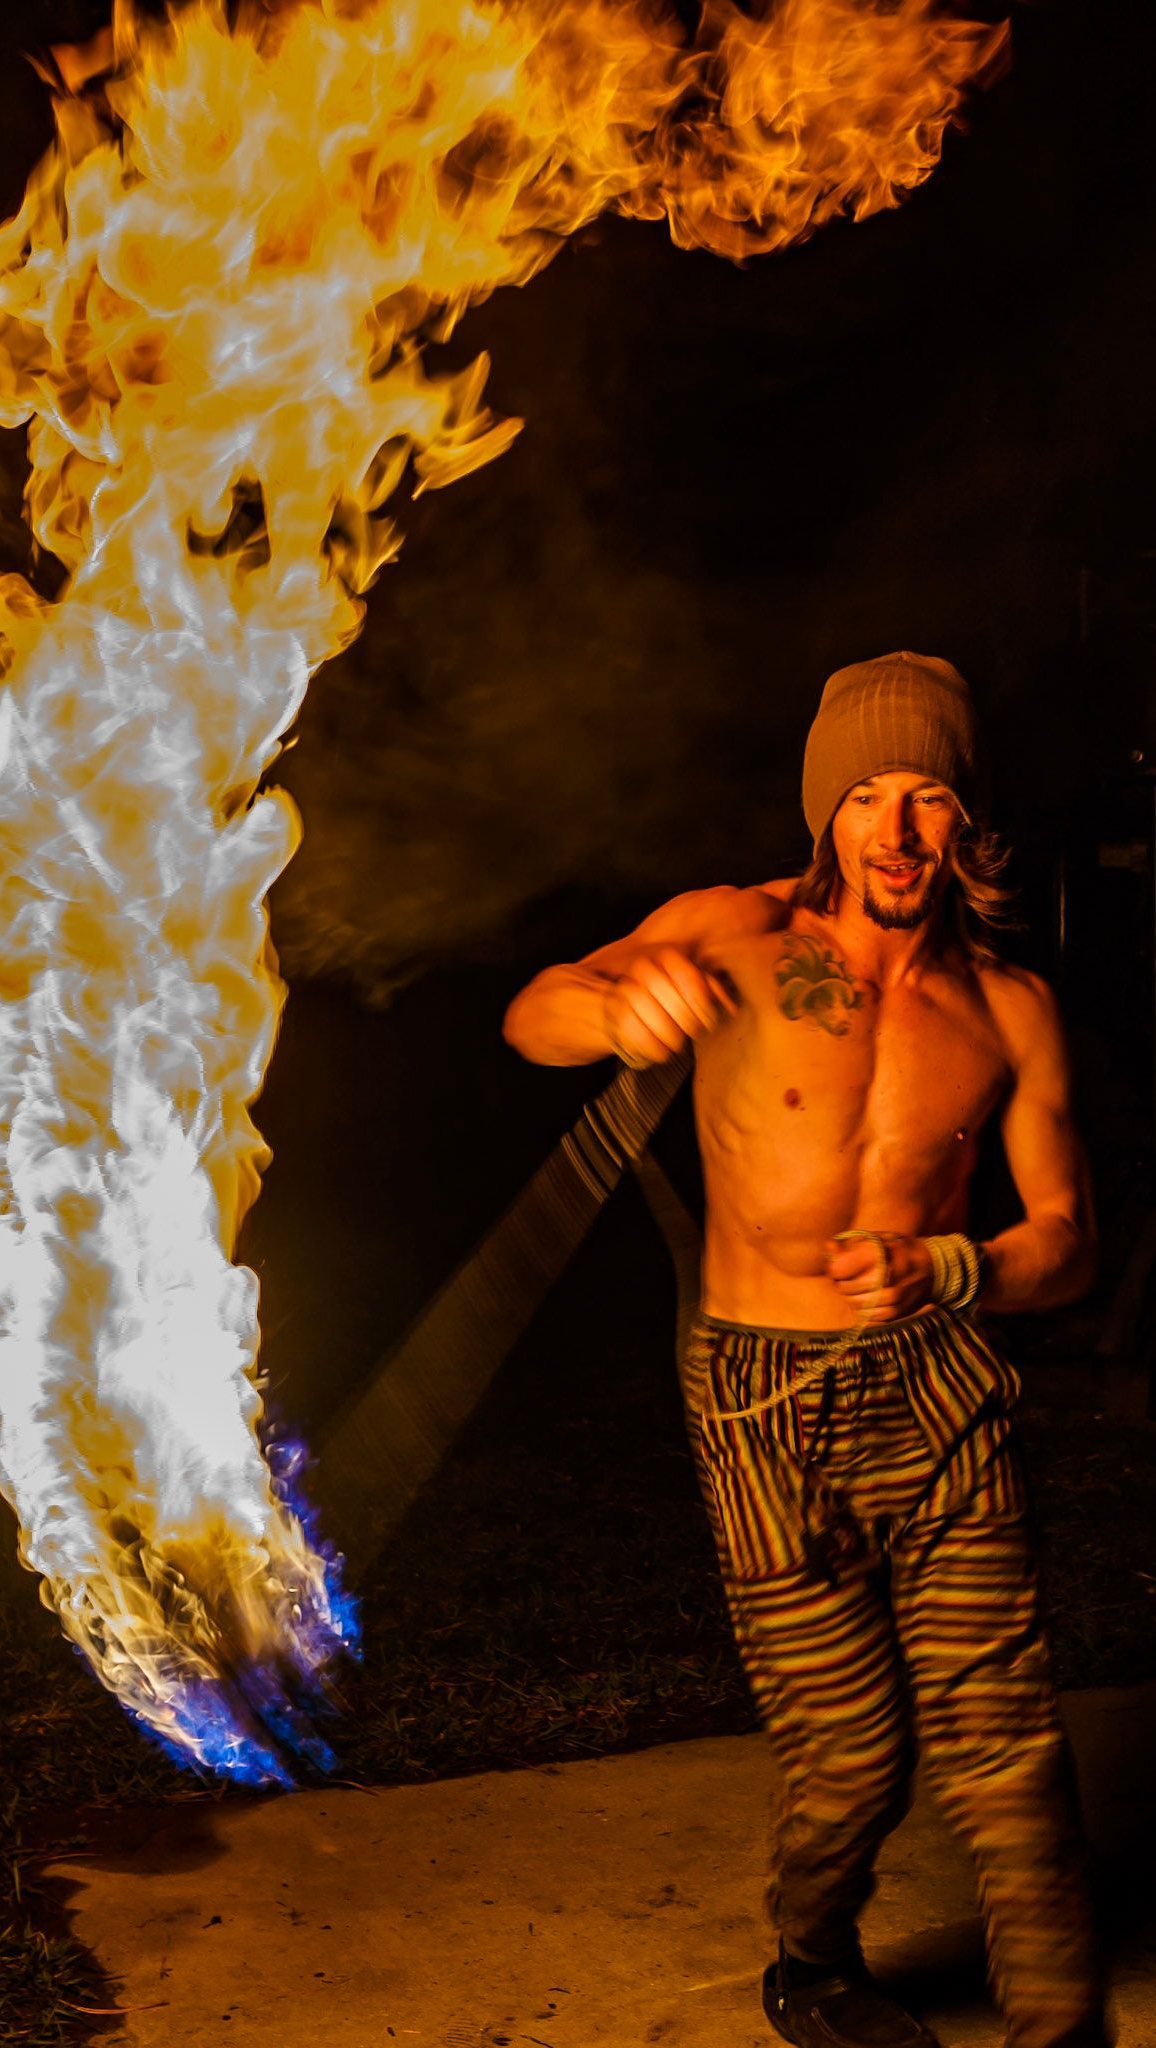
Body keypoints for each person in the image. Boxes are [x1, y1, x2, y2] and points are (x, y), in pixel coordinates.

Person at [503, 652, 1109, 2048]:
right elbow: (531, 1011)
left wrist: (950, 1267)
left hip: (940, 1389)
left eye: (927, 796)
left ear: (967, 817)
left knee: (1010, 1751)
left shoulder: (1007, 1008)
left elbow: (1067, 1240)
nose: (894, 833)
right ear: (824, 812)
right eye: (864, 798)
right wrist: (611, 1007)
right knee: (851, 1756)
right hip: (761, 1403)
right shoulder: (730, 931)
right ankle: (811, 1953)